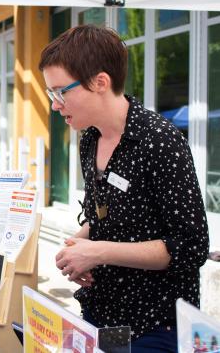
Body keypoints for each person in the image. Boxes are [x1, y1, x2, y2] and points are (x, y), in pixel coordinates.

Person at [39, 25, 209, 352]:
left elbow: (192, 246)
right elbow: (101, 215)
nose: (55, 105)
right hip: (100, 310)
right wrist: (81, 246)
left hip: (156, 324)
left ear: (100, 82)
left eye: (61, 92)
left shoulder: (160, 142)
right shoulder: (89, 139)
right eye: (51, 94)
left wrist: (98, 252)